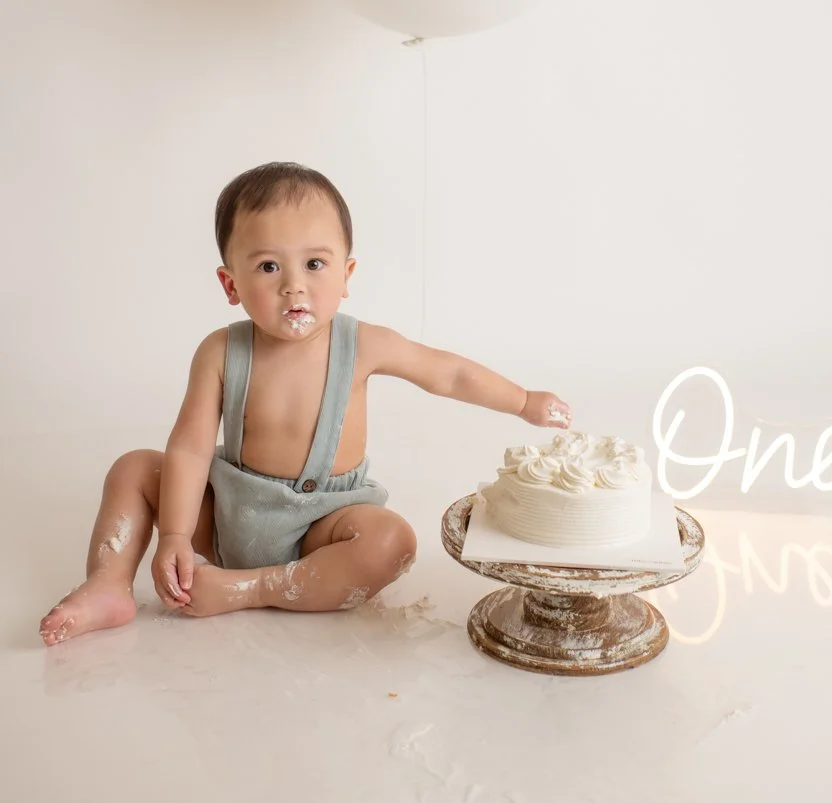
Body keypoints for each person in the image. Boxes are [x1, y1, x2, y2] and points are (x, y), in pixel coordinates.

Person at [40, 162, 572, 645]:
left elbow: (448, 374)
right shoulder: (220, 352)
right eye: (268, 267)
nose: (294, 287)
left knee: (392, 541)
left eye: (315, 263)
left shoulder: (364, 344)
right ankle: (107, 584)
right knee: (135, 469)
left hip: (323, 526)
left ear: (347, 275)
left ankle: (251, 587)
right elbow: (191, 447)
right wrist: (177, 533)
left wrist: (523, 400)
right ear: (230, 283)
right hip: (227, 512)